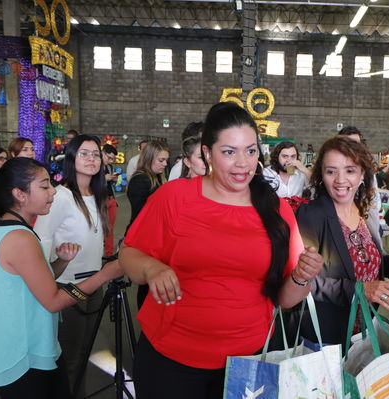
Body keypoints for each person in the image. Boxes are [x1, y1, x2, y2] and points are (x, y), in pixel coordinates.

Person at [119, 102, 323, 399]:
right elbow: (129, 254)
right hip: (170, 359)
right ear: (206, 152)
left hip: (248, 364)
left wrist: (303, 276)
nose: (243, 163)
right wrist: (152, 268)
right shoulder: (174, 197)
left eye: (250, 151)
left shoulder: (275, 210)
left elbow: (285, 299)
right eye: (229, 152)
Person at [0, 158, 121, 399]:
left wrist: (61, 261)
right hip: (22, 352)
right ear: (19, 194)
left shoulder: (11, 228)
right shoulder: (20, 238)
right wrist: (105, 274)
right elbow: (53, 300)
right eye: (44, 186)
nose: (53, 191)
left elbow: (39, 281)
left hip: (31, 344)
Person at [295, 136, 389, 347]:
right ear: (321, 175)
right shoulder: (311, 215)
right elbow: (304, 282)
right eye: (331, 171)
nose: (341, 180)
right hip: (326, 334)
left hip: (362, 331)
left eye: (350, 170)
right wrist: (359, 290)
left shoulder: (363, 211)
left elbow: (364, 259)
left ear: (362, 174)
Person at [33, 135, 123, 396]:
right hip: (66, 286)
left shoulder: (97, 195)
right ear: (71, 158)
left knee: (84, 351)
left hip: (94, 282)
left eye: (95, 154)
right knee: (70, 355)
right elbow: (40, 243)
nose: (92, 159)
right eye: (84, 153)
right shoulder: (60, 196)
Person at [125, 141, 170, 308]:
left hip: (154, 236)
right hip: (143, 238)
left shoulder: (156, 178)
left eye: (166, 160)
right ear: (149, 158)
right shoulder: (141, 180)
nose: (165, 164)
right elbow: (141, 215)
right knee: (146, 284)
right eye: (161, 160)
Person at [102, 144, 119, 259]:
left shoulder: (109, 167)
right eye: (108, 157)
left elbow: (111, 184)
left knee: (110, 229)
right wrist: (103, 178)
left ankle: (109, 254)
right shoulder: (93, 166)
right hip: (100, 201)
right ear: (102, 153)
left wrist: (113, 179)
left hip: (111, 199)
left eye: (112, 159)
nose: (110, 161)